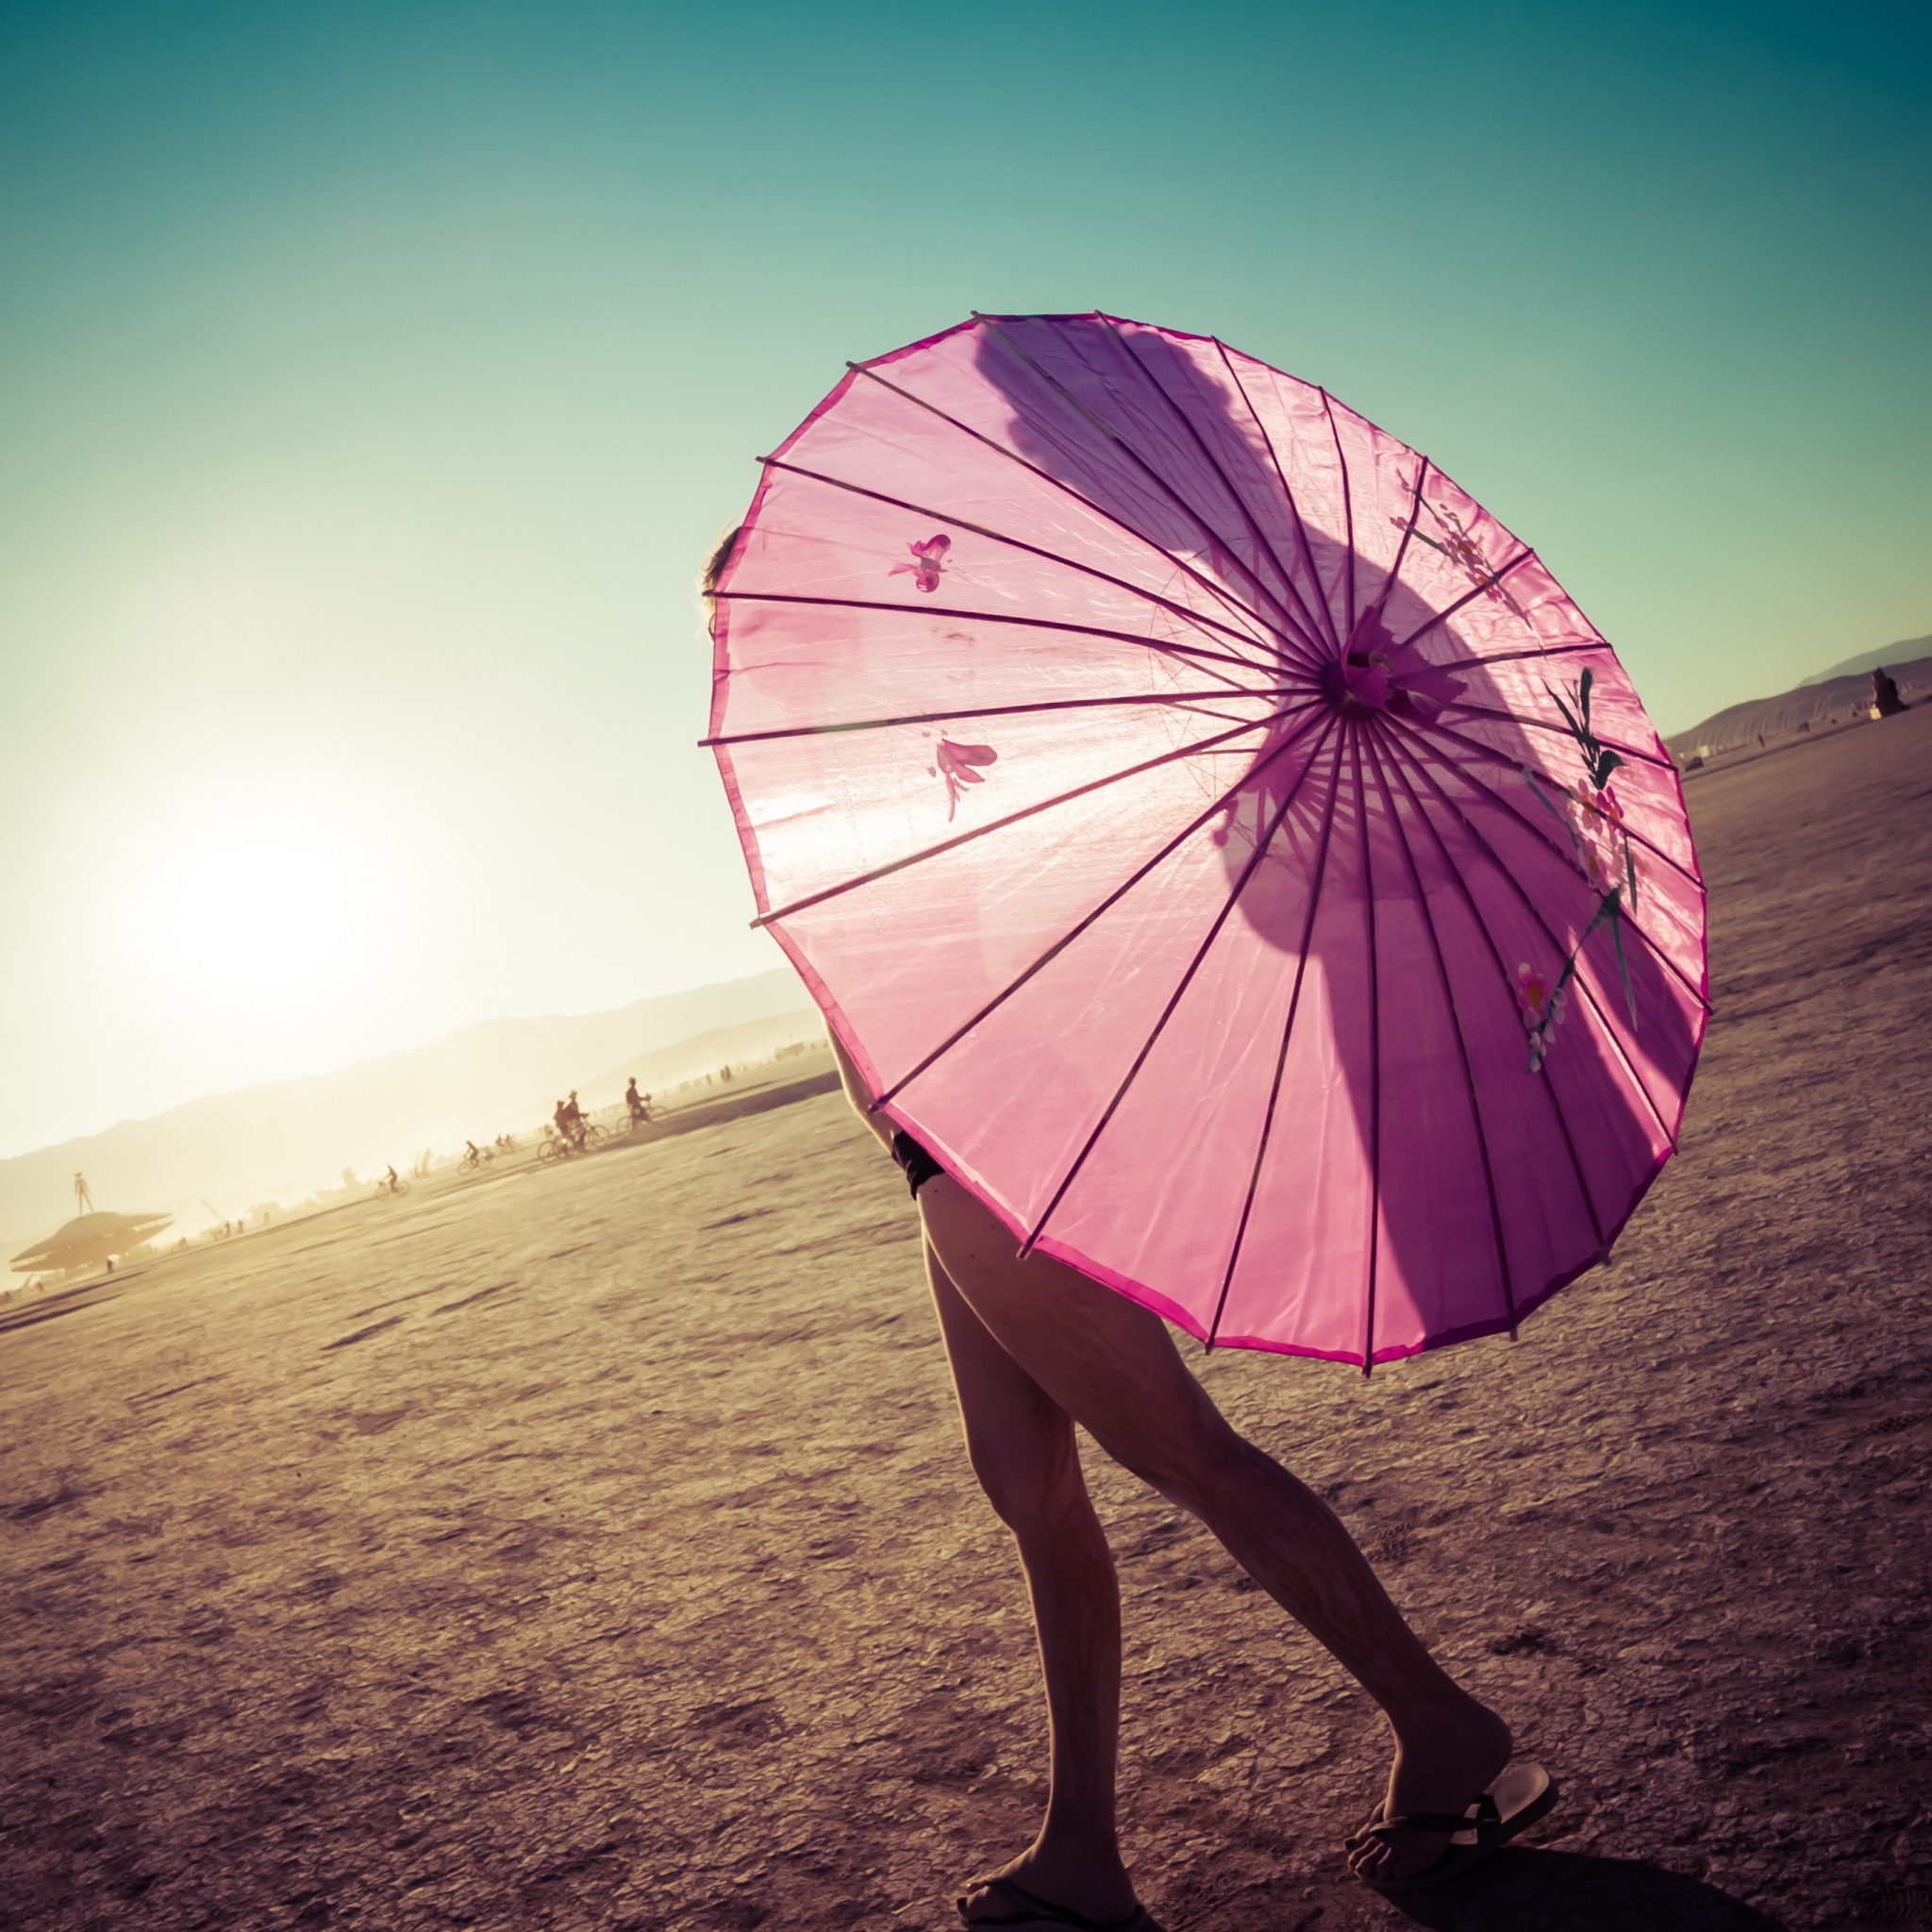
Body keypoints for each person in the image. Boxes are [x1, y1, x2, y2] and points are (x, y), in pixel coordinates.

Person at [826, 1034, 1548, 1924]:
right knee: (1028, 1492)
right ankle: (1080, 1846)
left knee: (1190, 1455)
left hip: (985, 1141)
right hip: (935, 1156)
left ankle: (1443, 1727)